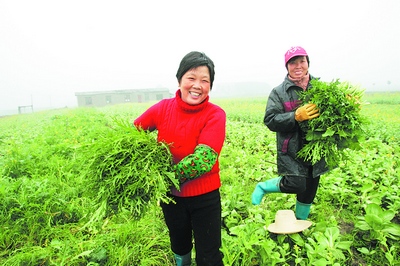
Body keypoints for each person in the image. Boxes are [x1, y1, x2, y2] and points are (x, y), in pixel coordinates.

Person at [134, 51, 226, 266]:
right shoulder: (162, 109)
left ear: (210, 86)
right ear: (179, 80)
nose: (197, 85)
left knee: (209, 256)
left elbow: (204, 159)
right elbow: (133, 134)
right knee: (179, 246)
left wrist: (164, 178)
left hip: (205, 198)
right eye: (191, 78)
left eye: (205, 80)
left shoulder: (215, 114)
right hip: (171, 198)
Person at [251, 46, 329, 220]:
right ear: (287, 66)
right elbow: (270, 120)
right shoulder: (279, 92)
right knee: (296, 184)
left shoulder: (322, 88)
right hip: (291, 148)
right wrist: (295, 116)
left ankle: (301, 222)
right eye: (293, 62)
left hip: (316, 148)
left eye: (302, 61)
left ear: (308, 63)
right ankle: (263, 187)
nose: (298, 65)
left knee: (309, 189)